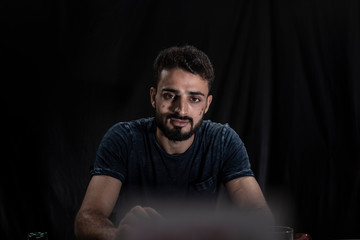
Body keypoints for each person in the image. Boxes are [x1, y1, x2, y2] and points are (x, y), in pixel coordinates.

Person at [74, 45, 272, 240]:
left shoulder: (223, 141)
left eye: (194, 99)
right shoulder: (122, 139)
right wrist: (119, 236)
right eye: (170, 96)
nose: (181, 110)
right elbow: (87, 218)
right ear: (154, 97)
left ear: (206, 105)